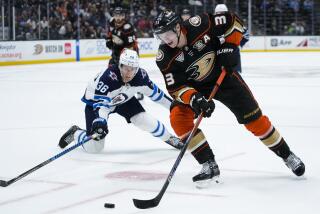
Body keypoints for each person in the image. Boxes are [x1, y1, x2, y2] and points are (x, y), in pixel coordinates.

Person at [152, 10, 305, 186]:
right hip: (195, 88)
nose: (165, 40)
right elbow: (176, 88)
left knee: (254, 120)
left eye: (167, 34)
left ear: (178, 27)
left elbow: (233, 20)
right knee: (178, 117)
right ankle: (208, 164)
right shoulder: (164, 57)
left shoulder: (199, 23)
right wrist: (195, 99)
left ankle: (287, 155)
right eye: (160, 36)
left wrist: (231, 46)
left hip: (223, 77)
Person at [59, 49, 183, 154]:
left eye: (132, 69)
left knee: (144, 120)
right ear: (120, 66)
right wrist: (101, 121)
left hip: (123, 99)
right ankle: (76, 133)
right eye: (125, 68)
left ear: (137, 68)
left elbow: (158, 96)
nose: (128, 73)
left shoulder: (141, 78)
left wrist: (177, 107)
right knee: (94, 148)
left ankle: (170, 138)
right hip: (97, 104)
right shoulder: (108, 78)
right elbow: (101, 105)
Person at [105, 6, 144, 100]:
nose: (118, 18)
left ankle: (139, 90)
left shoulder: (128, 27)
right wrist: (109, 39)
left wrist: (121, 56)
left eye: (120, 15)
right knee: (111, 68)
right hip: (117, 49)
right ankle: (113, 89)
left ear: (124, 16)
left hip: (130, 52)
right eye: (116, 15)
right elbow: (110, 33)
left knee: (131, 72)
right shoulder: (111, 22)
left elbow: (131, 45)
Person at [214, 3, 249, 73]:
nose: (221, 15)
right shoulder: (212, 24)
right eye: (219, 13)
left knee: (233, 77)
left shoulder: (233, 22)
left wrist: (238, 44)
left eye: (222, 13)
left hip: (229, 56)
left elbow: (246, 35)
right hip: (220, 56)